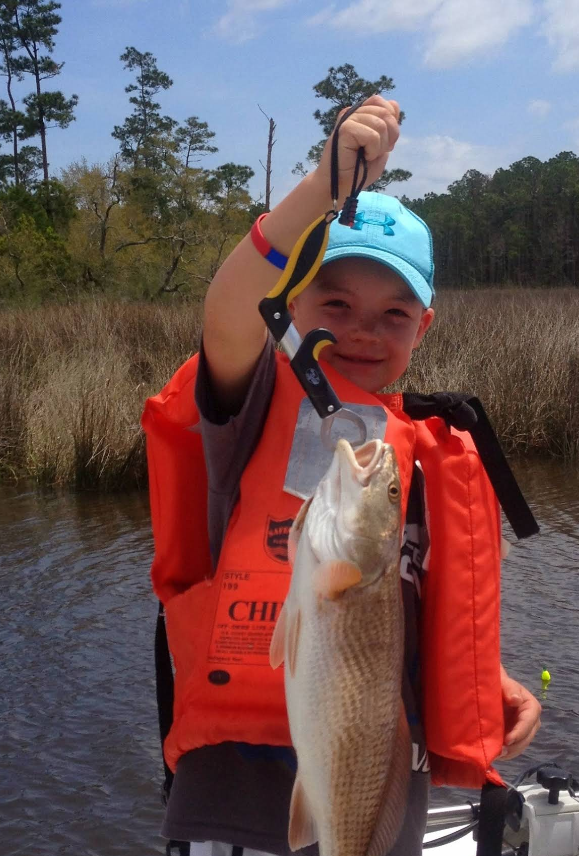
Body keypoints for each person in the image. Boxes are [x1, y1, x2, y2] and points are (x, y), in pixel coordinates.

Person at [144, 95, 541, 856]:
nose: (362, 327)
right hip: (237, 798)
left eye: (394, 313)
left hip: (382, 789)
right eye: (334, 299)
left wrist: (486, 677)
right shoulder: (249, 405)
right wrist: (321, 190)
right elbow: (227, 309)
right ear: (287, 306)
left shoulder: (413, 452)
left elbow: (410, 598)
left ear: (421, 328)